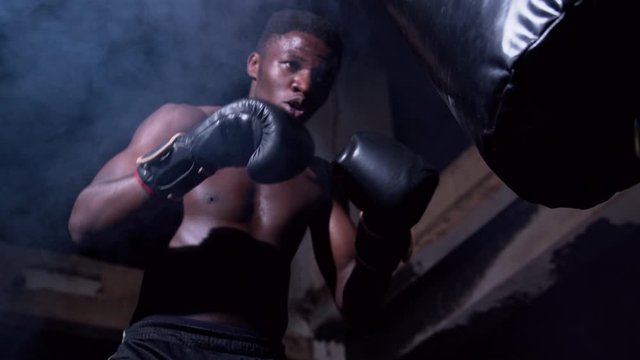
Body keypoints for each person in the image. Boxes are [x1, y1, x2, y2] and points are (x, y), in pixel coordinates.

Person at [69, 9, 438, 360]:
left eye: (322, 75)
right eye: (291, 64)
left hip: (256, 351)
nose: (306, 84)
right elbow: (83, 223)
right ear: (255, 65)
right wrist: (187, 158)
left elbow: (357, 307)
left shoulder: (321, 179)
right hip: (162, 345)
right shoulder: (183, 122)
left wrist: (380, 240)